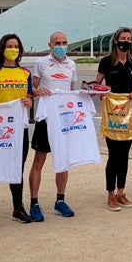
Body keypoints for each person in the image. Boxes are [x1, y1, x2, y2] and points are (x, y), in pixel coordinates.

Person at [0, 33, 33, 225]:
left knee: (17, 168)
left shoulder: (25, 73)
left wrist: (29, 102)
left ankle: (18, 208)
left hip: (19, 128)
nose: (13, 49)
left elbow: (29, 99)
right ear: (2, 49)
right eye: (9, 46)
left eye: (16, 46)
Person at [28, 31, 78, 220]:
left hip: (64, 118)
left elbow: (72, 91)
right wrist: (36, 91)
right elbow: (32, 88)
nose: (61, 45)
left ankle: (60, 200)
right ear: (50, 45)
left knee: (63, 161)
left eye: (64, 42)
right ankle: (34, 203)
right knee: (39, 160)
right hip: (45, 117)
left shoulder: (71, 64)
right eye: (57, 42)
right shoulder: (41, 63)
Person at [95, 27, 132, 211]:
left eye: (129, 39)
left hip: (129, 113)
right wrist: (101, 93)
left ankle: (121, 192)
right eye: (123, 38)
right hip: (112, 112)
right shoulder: (106, 62)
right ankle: (110, 194)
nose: (126, 41)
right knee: (113, 154)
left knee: (124, 154)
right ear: (116, 40)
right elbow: (97, 84)